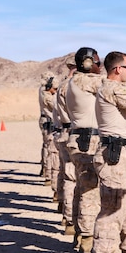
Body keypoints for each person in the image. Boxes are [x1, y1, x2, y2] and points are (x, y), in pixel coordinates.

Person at [86, 51, 126, 253]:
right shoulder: (112, 88)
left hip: (119, 153)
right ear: (118, 69)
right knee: (112, 209)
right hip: (114, 155)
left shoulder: (108, 88)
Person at [66, 47, 103, 253]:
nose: (99, 66)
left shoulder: (74, 80)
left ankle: (80, 234)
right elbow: (113, 85)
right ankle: (87, 240)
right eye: (96, 61)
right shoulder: (84, 80)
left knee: (81, 189)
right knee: (90, 191)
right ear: (87, 63)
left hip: (81, 138)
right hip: (87, 140)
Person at [54, 55, 78, 235]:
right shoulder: (73, 85)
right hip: (73, 133)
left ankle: (67, 215)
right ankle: (71, 220)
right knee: (73, 178)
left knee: (67, 174)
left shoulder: (63, 85)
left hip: (65, 132)